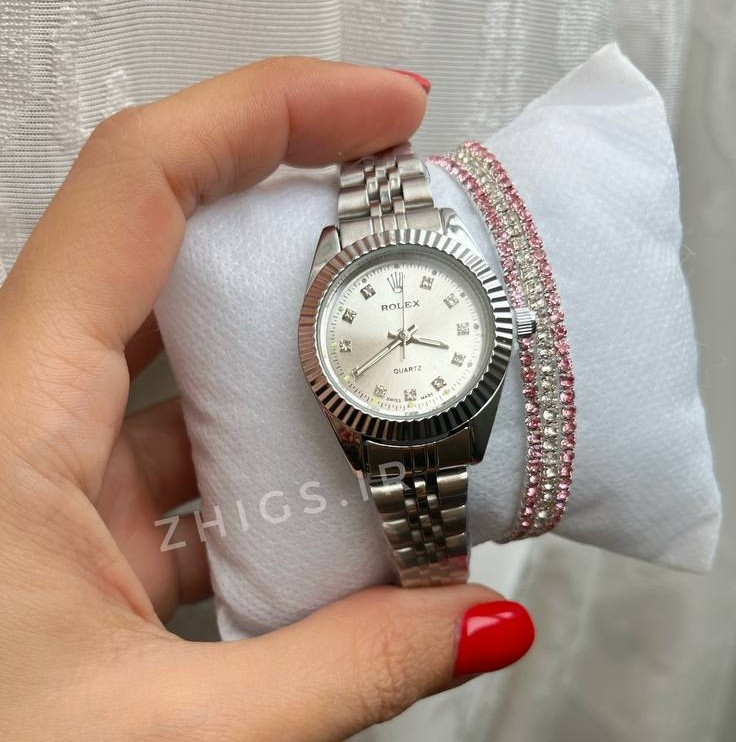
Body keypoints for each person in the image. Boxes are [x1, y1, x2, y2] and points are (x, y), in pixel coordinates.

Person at [0, 57, 534, 740]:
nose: (402, 337)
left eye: (413, 331)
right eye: (390, 333)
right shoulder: (346, 301)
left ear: (505, 322)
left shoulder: (435, 273)